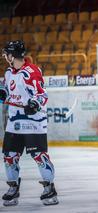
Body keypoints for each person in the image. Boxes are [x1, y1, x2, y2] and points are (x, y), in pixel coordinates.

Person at [0, 40, 58, 206]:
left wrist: (34, 104)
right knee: (9, 156)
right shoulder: (9, 73)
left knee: (39, 156)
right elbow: (7, 90)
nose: (5, 56)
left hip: (33, 123)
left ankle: (49, 189)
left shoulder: (31, 72)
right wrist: (2, 94)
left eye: (7, 54)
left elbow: (42, 94)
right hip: (14, 123)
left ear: (13, 55)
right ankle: (13, 188)